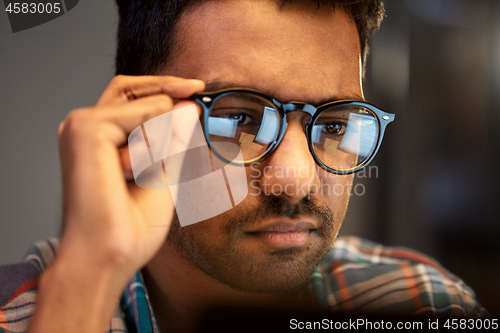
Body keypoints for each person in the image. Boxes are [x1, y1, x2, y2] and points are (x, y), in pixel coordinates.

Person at [0, 1, 488, 332]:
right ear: (142, 122)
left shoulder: (422, 300)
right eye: (238, 116)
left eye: (336, 124)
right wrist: (89, 277)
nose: (295, 179)